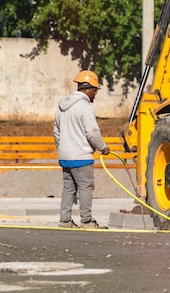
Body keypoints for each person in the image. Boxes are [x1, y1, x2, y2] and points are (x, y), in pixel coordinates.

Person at [53, 70, 110, 229]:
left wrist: (63, 148)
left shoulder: (62, 106)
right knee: (85, 187)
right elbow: (92, 132)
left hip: (65, 156)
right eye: (95, 90)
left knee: (68, 188)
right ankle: (86, 221)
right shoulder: (85, 107)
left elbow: (56, 132)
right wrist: (103, 148)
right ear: (87, 88)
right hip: (81, 156)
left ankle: (65, 220)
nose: (95, 94)